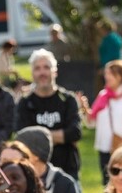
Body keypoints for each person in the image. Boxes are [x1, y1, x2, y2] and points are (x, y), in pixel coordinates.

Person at [15, 49, 82, 178]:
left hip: (68, 171)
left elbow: (75, 133)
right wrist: (61, 136)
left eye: (46, 67)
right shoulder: (25, 103)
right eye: (37, 68)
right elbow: (22, 138)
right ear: (32, 73)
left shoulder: (68, 99)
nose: (42, 72)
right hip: (36, 174)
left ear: (54, 71)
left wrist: (39, 138)